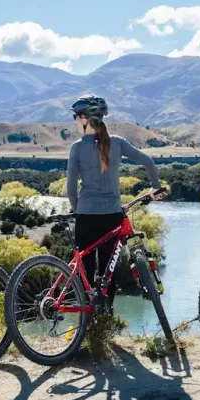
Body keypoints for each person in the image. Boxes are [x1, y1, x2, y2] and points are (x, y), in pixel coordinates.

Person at [66, 95, 161, 310]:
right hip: (112, 217)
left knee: (86, 273)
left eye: (75, 117)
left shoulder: (77, 148)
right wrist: (155, 187)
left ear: (83, 118)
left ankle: (86, 325)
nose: (74, 121)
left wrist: (78, 211)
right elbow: (148, 161)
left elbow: (71, 188)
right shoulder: (117, 142)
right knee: (108, 272)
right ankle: (105, 320)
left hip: (85, 217)